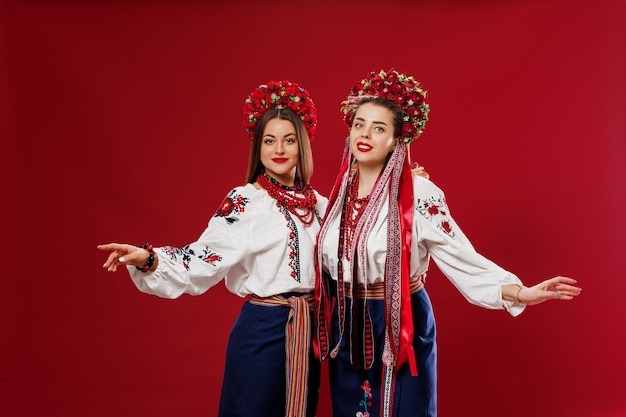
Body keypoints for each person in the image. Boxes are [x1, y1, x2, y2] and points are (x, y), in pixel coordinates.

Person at [313, 69, 582, 417]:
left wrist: (519, 292)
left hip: (400, 320)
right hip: (348, 328)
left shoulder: (419, 194)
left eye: (379, 128)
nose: (365, 134)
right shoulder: (334, 198)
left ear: (397, 140)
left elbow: (459, 255)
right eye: (359, 124)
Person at [98, 80, 327, 417]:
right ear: (257, 147)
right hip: (263, 332)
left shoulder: (321, 205)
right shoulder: (245, 201)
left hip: (308, 334)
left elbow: (353, 251)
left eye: (288, 140)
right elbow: (202, 258)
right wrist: (151, 259)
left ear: (302, 145)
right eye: (269, 140)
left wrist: (404, 185)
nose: (279, 149)